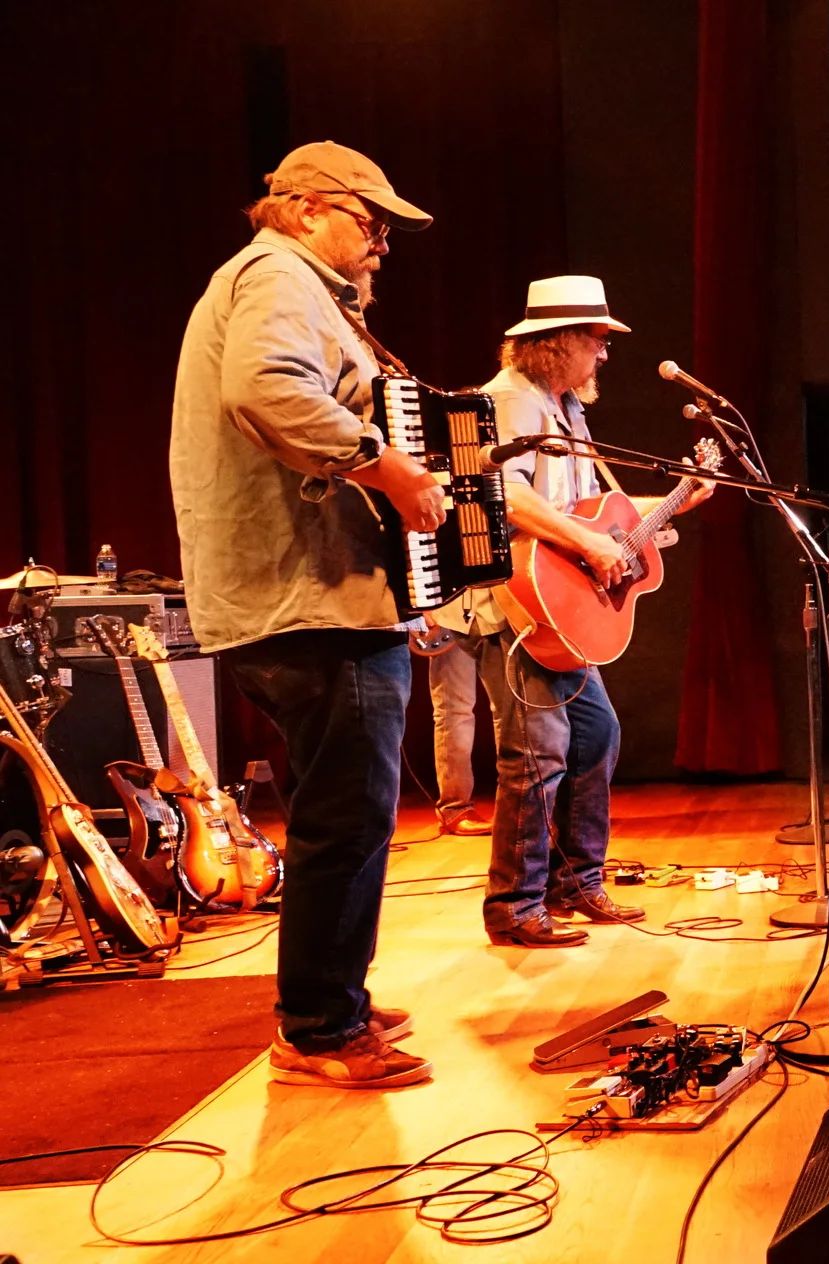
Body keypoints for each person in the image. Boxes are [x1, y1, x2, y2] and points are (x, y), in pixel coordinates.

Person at [171, 141, 445, 1087]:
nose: (380, 244)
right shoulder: (278, 275)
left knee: (349, 812)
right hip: (306, 604)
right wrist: (388, 465)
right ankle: (319, 1028)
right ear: (303, 210)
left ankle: (334, 995)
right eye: (369, 223)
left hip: (322, 598)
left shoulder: (296, 285)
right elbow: (265, 388)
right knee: (345, 816)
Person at [456, 276, 708, 949]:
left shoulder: (567, 410)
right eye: (596, 341)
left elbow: (599, 519)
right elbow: (493, 490)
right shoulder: (509, 400)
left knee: (595, 738)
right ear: (557, 341)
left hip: (558, 614)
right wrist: (586, 543)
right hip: (515, 608)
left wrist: (676, 503)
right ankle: (514, 906)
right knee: (537, 755)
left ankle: (573, 884)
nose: (604, 354)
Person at [421, 630, 491, 835]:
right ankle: (455, 808)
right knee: (454, 709)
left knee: (507, 710)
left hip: (495, 610)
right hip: (450, 619)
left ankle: (520, 808)